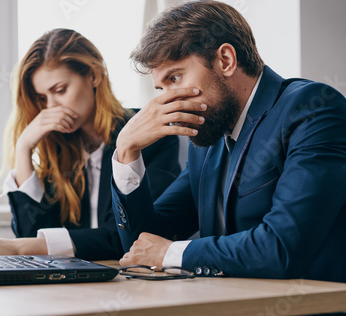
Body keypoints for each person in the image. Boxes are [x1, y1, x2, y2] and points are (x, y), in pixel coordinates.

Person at [111, 0, 346, 282]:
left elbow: (281, 249)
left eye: (175, 77)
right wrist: (126, 152)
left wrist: (171, 254)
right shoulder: (208, 137)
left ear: (225, 60)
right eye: (161, 88)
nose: (166, 100)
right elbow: (144, 244)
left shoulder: (312, 108)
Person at [0, 28, 180, 261]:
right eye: (42, 98)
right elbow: (36, 239)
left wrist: (19, 248)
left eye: (60, 90)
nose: (51, 106)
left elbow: (127, 238)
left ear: (93, 76)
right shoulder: (62, 149)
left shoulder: (143, 135)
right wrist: (23, 149)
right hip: (78, 285)